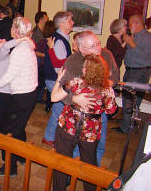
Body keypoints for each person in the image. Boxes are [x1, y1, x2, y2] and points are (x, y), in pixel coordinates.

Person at [51, 55, 117, 191]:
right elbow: (112, 111)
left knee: (63, 163)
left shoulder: (76, 82)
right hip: (87, 132)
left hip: (70, 127)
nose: (83, 68)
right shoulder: (106, 90)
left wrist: (59, 79)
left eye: (86, 66)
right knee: (88, 165)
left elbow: (53, 97)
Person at [0, 17, 37, 176]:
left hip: (23, 96)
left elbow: (9, 76)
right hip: (27, 94)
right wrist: (25, 37)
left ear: (14, 31)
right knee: (17, 129)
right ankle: (21, 158)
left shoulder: (21, 49)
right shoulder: (24, 45)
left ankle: (11, 169)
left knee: (11, 134)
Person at [59, 31, 119, 166]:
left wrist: (107, 85)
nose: (98, 48)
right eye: (93, 46)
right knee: (72, 150)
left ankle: (91, 174)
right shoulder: (72, 62)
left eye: (98, 43)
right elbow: (61, 92)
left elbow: (115, 75)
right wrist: (74, 99)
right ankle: (71, 173)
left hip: (97, 115)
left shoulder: (106, 55)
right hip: (75, 116)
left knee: (96, 148)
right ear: (81, 49)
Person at [112, 14, 151, 134]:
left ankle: (126, 127)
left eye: (130, 24)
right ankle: (128, 122)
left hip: (139, 72)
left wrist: (131, 42)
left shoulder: (147, 37)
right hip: (132, 70)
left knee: (129, 98)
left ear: (137, 23)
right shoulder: (137, 36)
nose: (128, 27)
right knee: (131, 98)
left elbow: (146, 55)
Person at [42, 11, 74, 147]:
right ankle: (49, 137)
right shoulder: (59, 41)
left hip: (54, 80)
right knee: (59, 109)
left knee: (59, 108)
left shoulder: (61, 39)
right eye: (70, 21)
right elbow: (58, 68)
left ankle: (51, 136)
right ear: (61, 24)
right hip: (55, 80)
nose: (73, 23)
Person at [35, 20, 55, 111]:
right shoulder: (44, 42)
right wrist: (45, 55)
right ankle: (38, 101)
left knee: (43, 84)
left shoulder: (48, 41)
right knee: (41, 84)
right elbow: (35, 51)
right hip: (43, 65)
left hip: (44, 65)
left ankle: (45, 102)